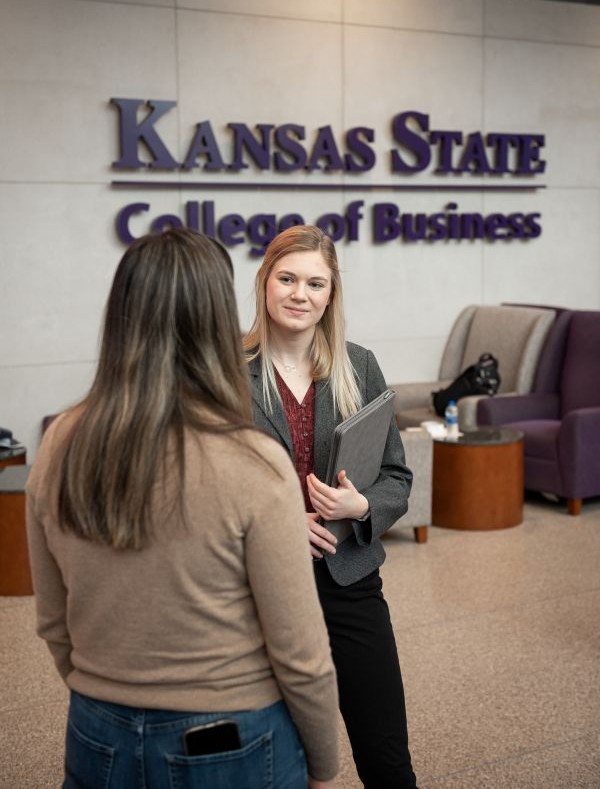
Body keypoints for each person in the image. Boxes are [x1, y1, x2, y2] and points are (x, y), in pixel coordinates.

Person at [26, 228, 339, 789]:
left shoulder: (59, 440)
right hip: (231, 739)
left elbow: (52, 618)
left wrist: (110, 694)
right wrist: (323, 763)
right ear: (217, 321)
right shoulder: (253, 461)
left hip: (96, 727)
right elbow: (301, 653)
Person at [243, 225, 418, 788]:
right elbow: (197, 488)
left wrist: (362, 504)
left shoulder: (359, 365)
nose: (300, 294)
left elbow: (396, 474)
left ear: (331, 294)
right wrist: (275, 525)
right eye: (287, 278)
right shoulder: (222, 367)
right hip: (254, 590)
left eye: (315, 283)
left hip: (349, 581)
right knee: (279, 762)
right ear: (265, 283)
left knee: (387, 758)